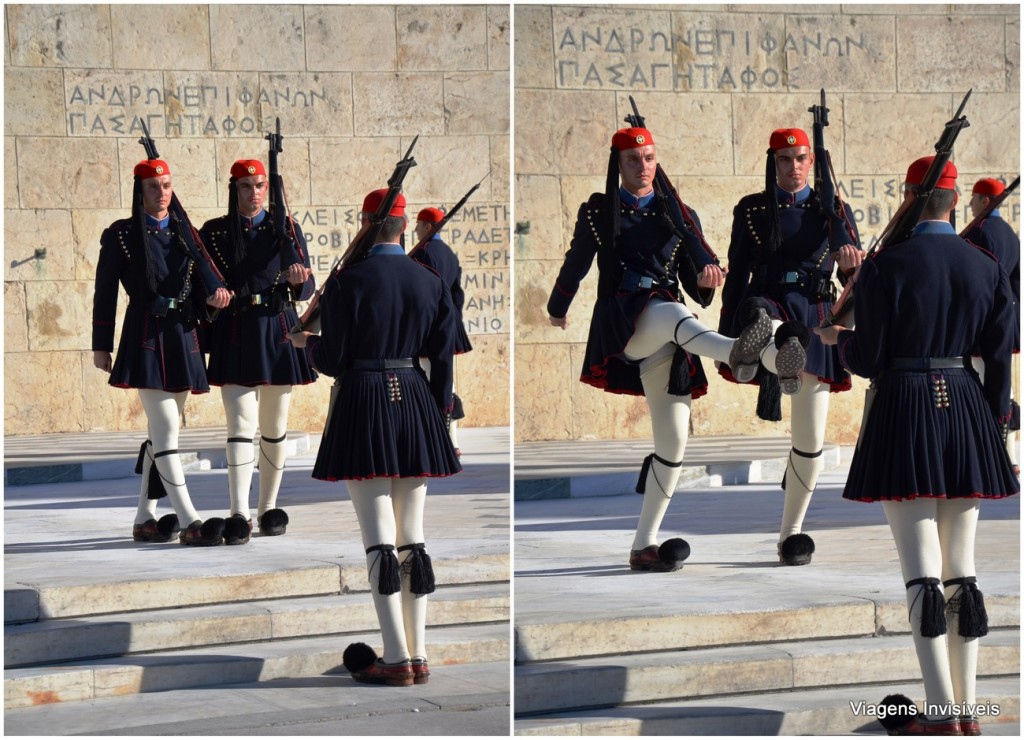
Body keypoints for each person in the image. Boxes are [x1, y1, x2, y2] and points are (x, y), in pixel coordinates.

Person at [816, 157, 1018, 735]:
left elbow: (870, 356)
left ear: (910, 195)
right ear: (954, 203)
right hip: (967, 408)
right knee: (962, 572)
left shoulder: (887, 266)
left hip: (904, 405)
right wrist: (997, 419)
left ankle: (937, 714)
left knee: (922, 575)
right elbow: (999, 356)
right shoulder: (983, 265)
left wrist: (839, 338)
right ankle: (967, 715)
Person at [546, 125, 809, 573]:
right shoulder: (599, 210)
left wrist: (707, 282)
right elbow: (577, 262)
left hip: (675, 339)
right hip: (627, 321)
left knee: (673, 444)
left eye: (649, 158)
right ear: (618, 163)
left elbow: (695, 285)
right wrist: (557, 307)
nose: (643, 167)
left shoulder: (679, 214)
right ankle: (737, 353)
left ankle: (643, 545)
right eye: (633, 159)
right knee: (668, 313)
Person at [287, 189, 461, 687]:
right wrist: (441, 407)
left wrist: (307, 344)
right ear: (404, 228)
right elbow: (443, 355)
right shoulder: (429, 280)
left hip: (363, 397)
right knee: (414, 539)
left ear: (366, 222)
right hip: (416, 398)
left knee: (378, 541)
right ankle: (420, 654)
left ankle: (394, 656)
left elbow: (334, 358)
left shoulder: (348, 281)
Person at [717, 127, 863, 566]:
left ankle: (792, 534)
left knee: (810, 438)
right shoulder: (752, 209)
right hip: (766, 305)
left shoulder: (833, 210)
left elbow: (851, 286)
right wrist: (727, 336)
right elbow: (738, 271)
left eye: (800, 158)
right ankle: (768, 346)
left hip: (815, 316)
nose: (793, 166)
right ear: (772, 162)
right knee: (770, 324)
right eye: (785, 159)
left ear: (811, 163)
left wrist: (849, 264)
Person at [93, 158, 233, 546]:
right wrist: (101, 344)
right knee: (168, 432)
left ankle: (144, 520)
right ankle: (190, 521)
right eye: (154, 187)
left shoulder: (186, 234)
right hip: (146, 336)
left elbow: (206, 282)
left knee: (160, 435)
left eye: (167, 185)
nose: (162, 193)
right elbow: (105, 291)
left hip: (183, 334)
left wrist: (216, 296)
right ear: (140, 191)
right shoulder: (122, 235)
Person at [199, 159, 317, 544]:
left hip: (277, 329)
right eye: (246, 186)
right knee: (239, 425)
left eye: (260, 185)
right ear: (234, 189)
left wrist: (299, 281)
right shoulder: (214, 232)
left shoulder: (285, 229)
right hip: (236, 330)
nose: (254, 193)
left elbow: (307, 285)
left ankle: (268, 508)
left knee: (275, 426)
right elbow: (201, 282)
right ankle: (238, 511)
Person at [962, 177, 1020, 476]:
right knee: (1002, 390)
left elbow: (976, 284)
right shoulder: (1011, 233)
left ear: (985, 201)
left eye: (973, 199)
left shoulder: (980, 232)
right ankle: (1007, 455)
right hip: (1006, 323)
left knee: (986, 391)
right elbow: (1015, 285)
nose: (970, 205)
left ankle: (994, 457)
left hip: (984, 325)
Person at [411, 206, 473, 455]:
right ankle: (452, 441)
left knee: (429, 382)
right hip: (448, 325)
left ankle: (440, 440)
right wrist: (453, 323)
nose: (415, 230)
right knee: (448, 383)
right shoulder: (448, 253)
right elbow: (458, 294)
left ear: (427, 226)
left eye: (417, 225)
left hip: (429, 328)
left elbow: (419, 296)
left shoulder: (423, 253)